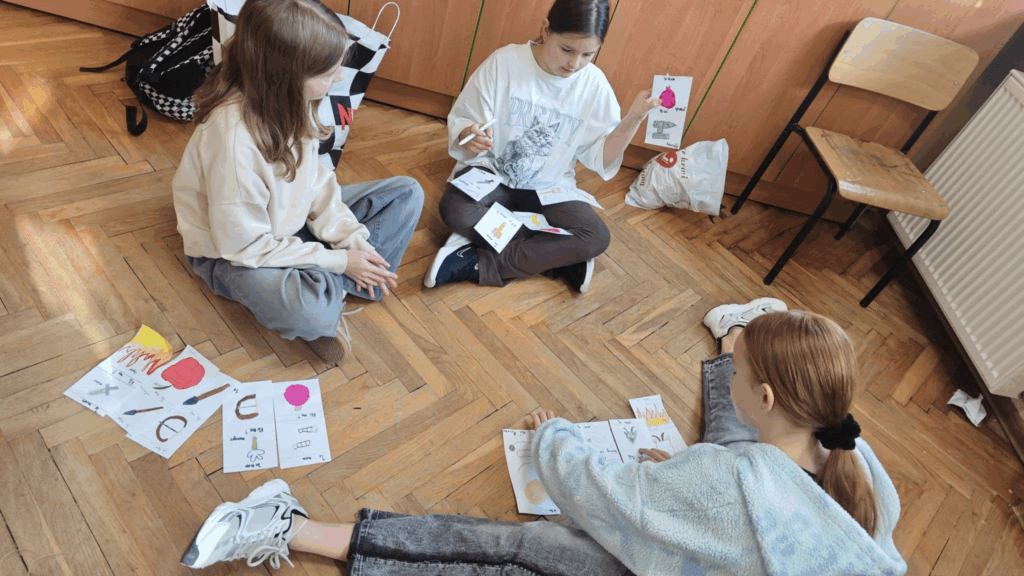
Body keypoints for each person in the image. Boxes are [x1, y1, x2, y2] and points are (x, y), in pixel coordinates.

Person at [179, 299, 907, 575]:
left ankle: (288, 523)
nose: (736, 382)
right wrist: (694, 472)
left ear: (769, 396)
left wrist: (555, 435)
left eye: (738, 370)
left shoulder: (727, 480)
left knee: (525, 549)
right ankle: (741, 324)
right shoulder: (858, 461)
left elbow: (602, 493)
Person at [172, 0, 423, 365]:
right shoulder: (233, 145)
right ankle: (330, 294)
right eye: (330, 72)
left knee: (407, 193)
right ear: (287, 76)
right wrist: (340, 261)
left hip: (288, 225)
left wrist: (352, 242)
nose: (340, 78)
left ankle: (330, 284)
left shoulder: (292, 98)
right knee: (308, 314)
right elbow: (245, 248)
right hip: (234, 253)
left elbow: (317, 182)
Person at [422, 0, 660, 294]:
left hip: (549, 187)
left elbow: (602, 158)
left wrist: (633, 118)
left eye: (588, 54)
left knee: (596, 237)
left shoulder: (594, 85)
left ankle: (474, 262)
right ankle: (558, 257)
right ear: (546, 30)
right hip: (491, 173)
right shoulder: (505, 63)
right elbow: (464, 122)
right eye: (567, 49)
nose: (574, 64)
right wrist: (469, 135)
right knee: (456, 209)